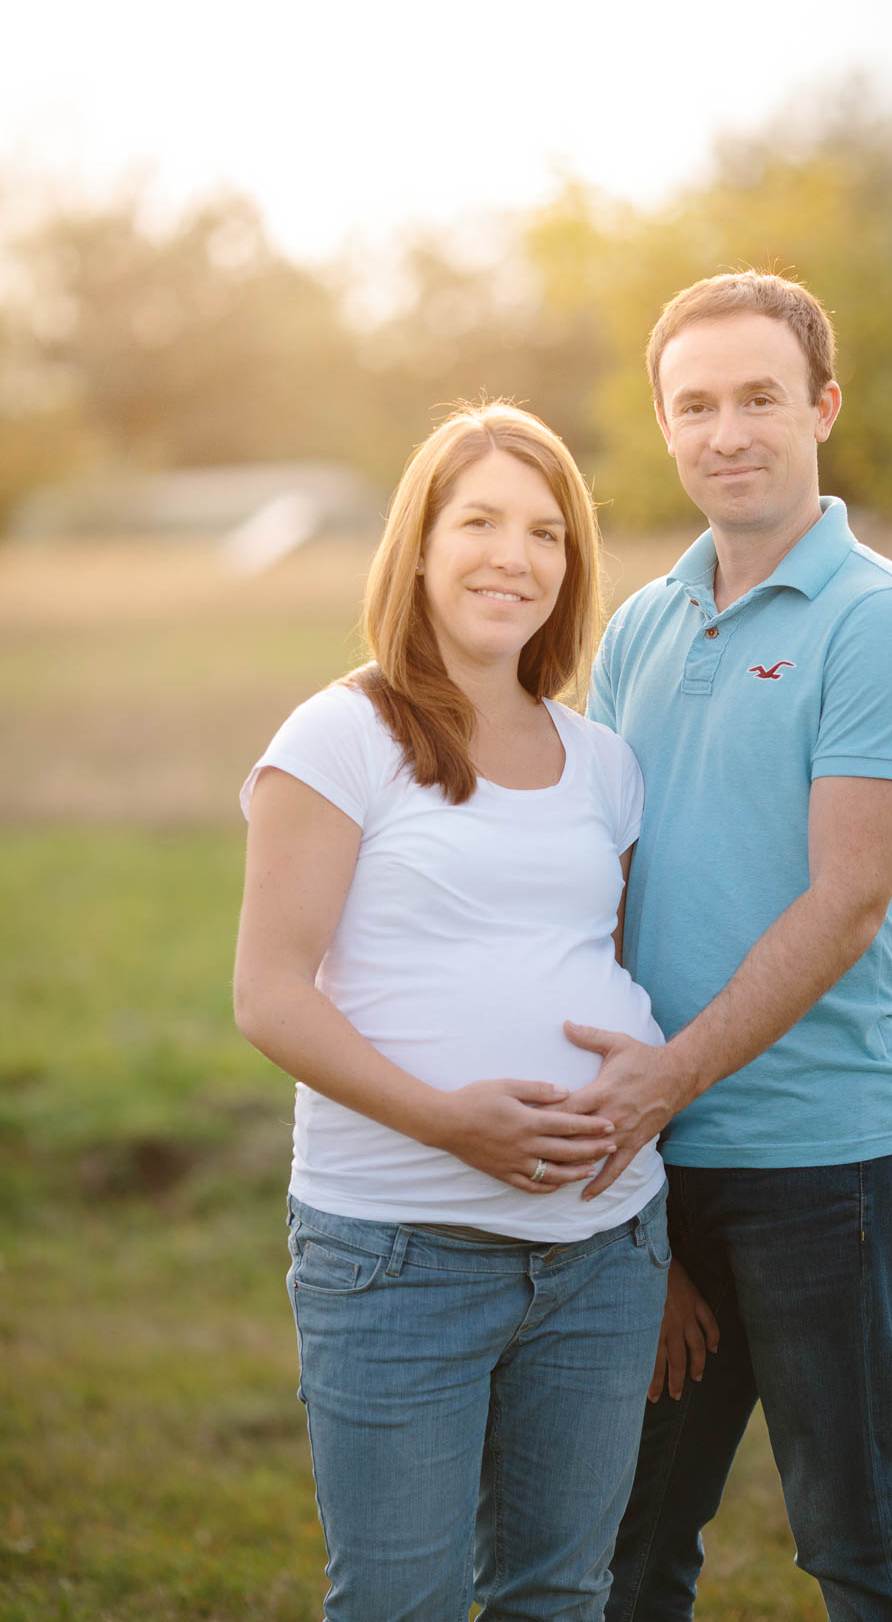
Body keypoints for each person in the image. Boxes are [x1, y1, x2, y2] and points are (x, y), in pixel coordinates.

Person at [561, 271, 892, 1621]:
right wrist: (640, 1156)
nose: (726, 432)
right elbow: (599, 890)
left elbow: (845, 903)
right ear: (665, 425)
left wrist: (664, 1085)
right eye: (695, 405)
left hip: (829, 1162)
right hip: (661, 1164)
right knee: (621, 1543)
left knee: (862, 1545)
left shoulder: (882, 619)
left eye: (758, 399)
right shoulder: (639, 622)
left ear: (823, 409)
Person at [233, 402, 673, 1622]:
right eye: (477, 520)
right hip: (397, 1253)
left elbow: (609, 973)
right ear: (418, 545)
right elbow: (267, 995)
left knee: (559, 1595)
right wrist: (447, 1121)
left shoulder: (604, 763)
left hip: (603, 1255)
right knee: (398, 1602)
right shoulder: (342, 734)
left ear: (569, 569)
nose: (511, 556)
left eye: (545, 532)